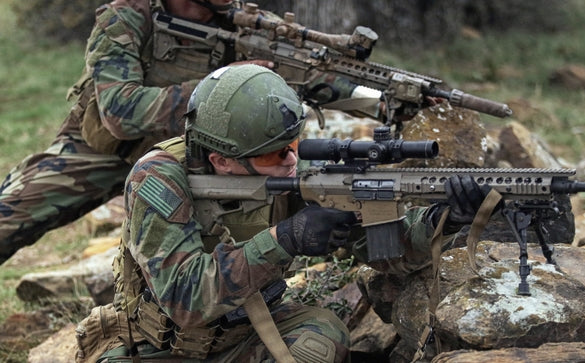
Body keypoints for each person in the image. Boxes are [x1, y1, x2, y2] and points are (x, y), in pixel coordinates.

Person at [0, 0, 379, 265]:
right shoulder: (126, 19)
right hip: (102, 152)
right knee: (10, 216)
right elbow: (119, 112)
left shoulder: (248, 28)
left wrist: (380, 101)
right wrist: (219, 85)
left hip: (193, 157)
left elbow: (317, 78)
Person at [73, 64, 494, 362]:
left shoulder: (295, 172)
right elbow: (184, 299)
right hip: (156, 348)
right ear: (222, 161)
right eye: (275, 154)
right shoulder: (158, 178)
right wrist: (284, 239)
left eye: (294, 145)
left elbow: (385, 251)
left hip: (247, 337)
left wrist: (446, 219)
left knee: (321, 340)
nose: (292, 161)